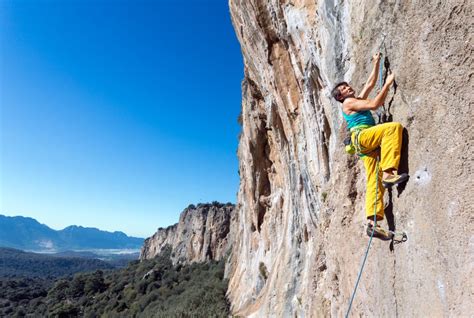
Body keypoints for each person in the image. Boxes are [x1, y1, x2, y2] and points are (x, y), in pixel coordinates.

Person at [331, 53, 408, 240]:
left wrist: (376, 62)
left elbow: (369, 84)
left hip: (363, 146)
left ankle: (373, 223)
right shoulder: (349, 102)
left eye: (347, 85)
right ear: (341, 96)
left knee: (374, 180)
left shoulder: (354, 99)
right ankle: (390, 173)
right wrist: (389, 83)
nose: (348, 88)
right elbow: (375, 104)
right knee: (392, 129)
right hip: (362, 136)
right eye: (344, 88)